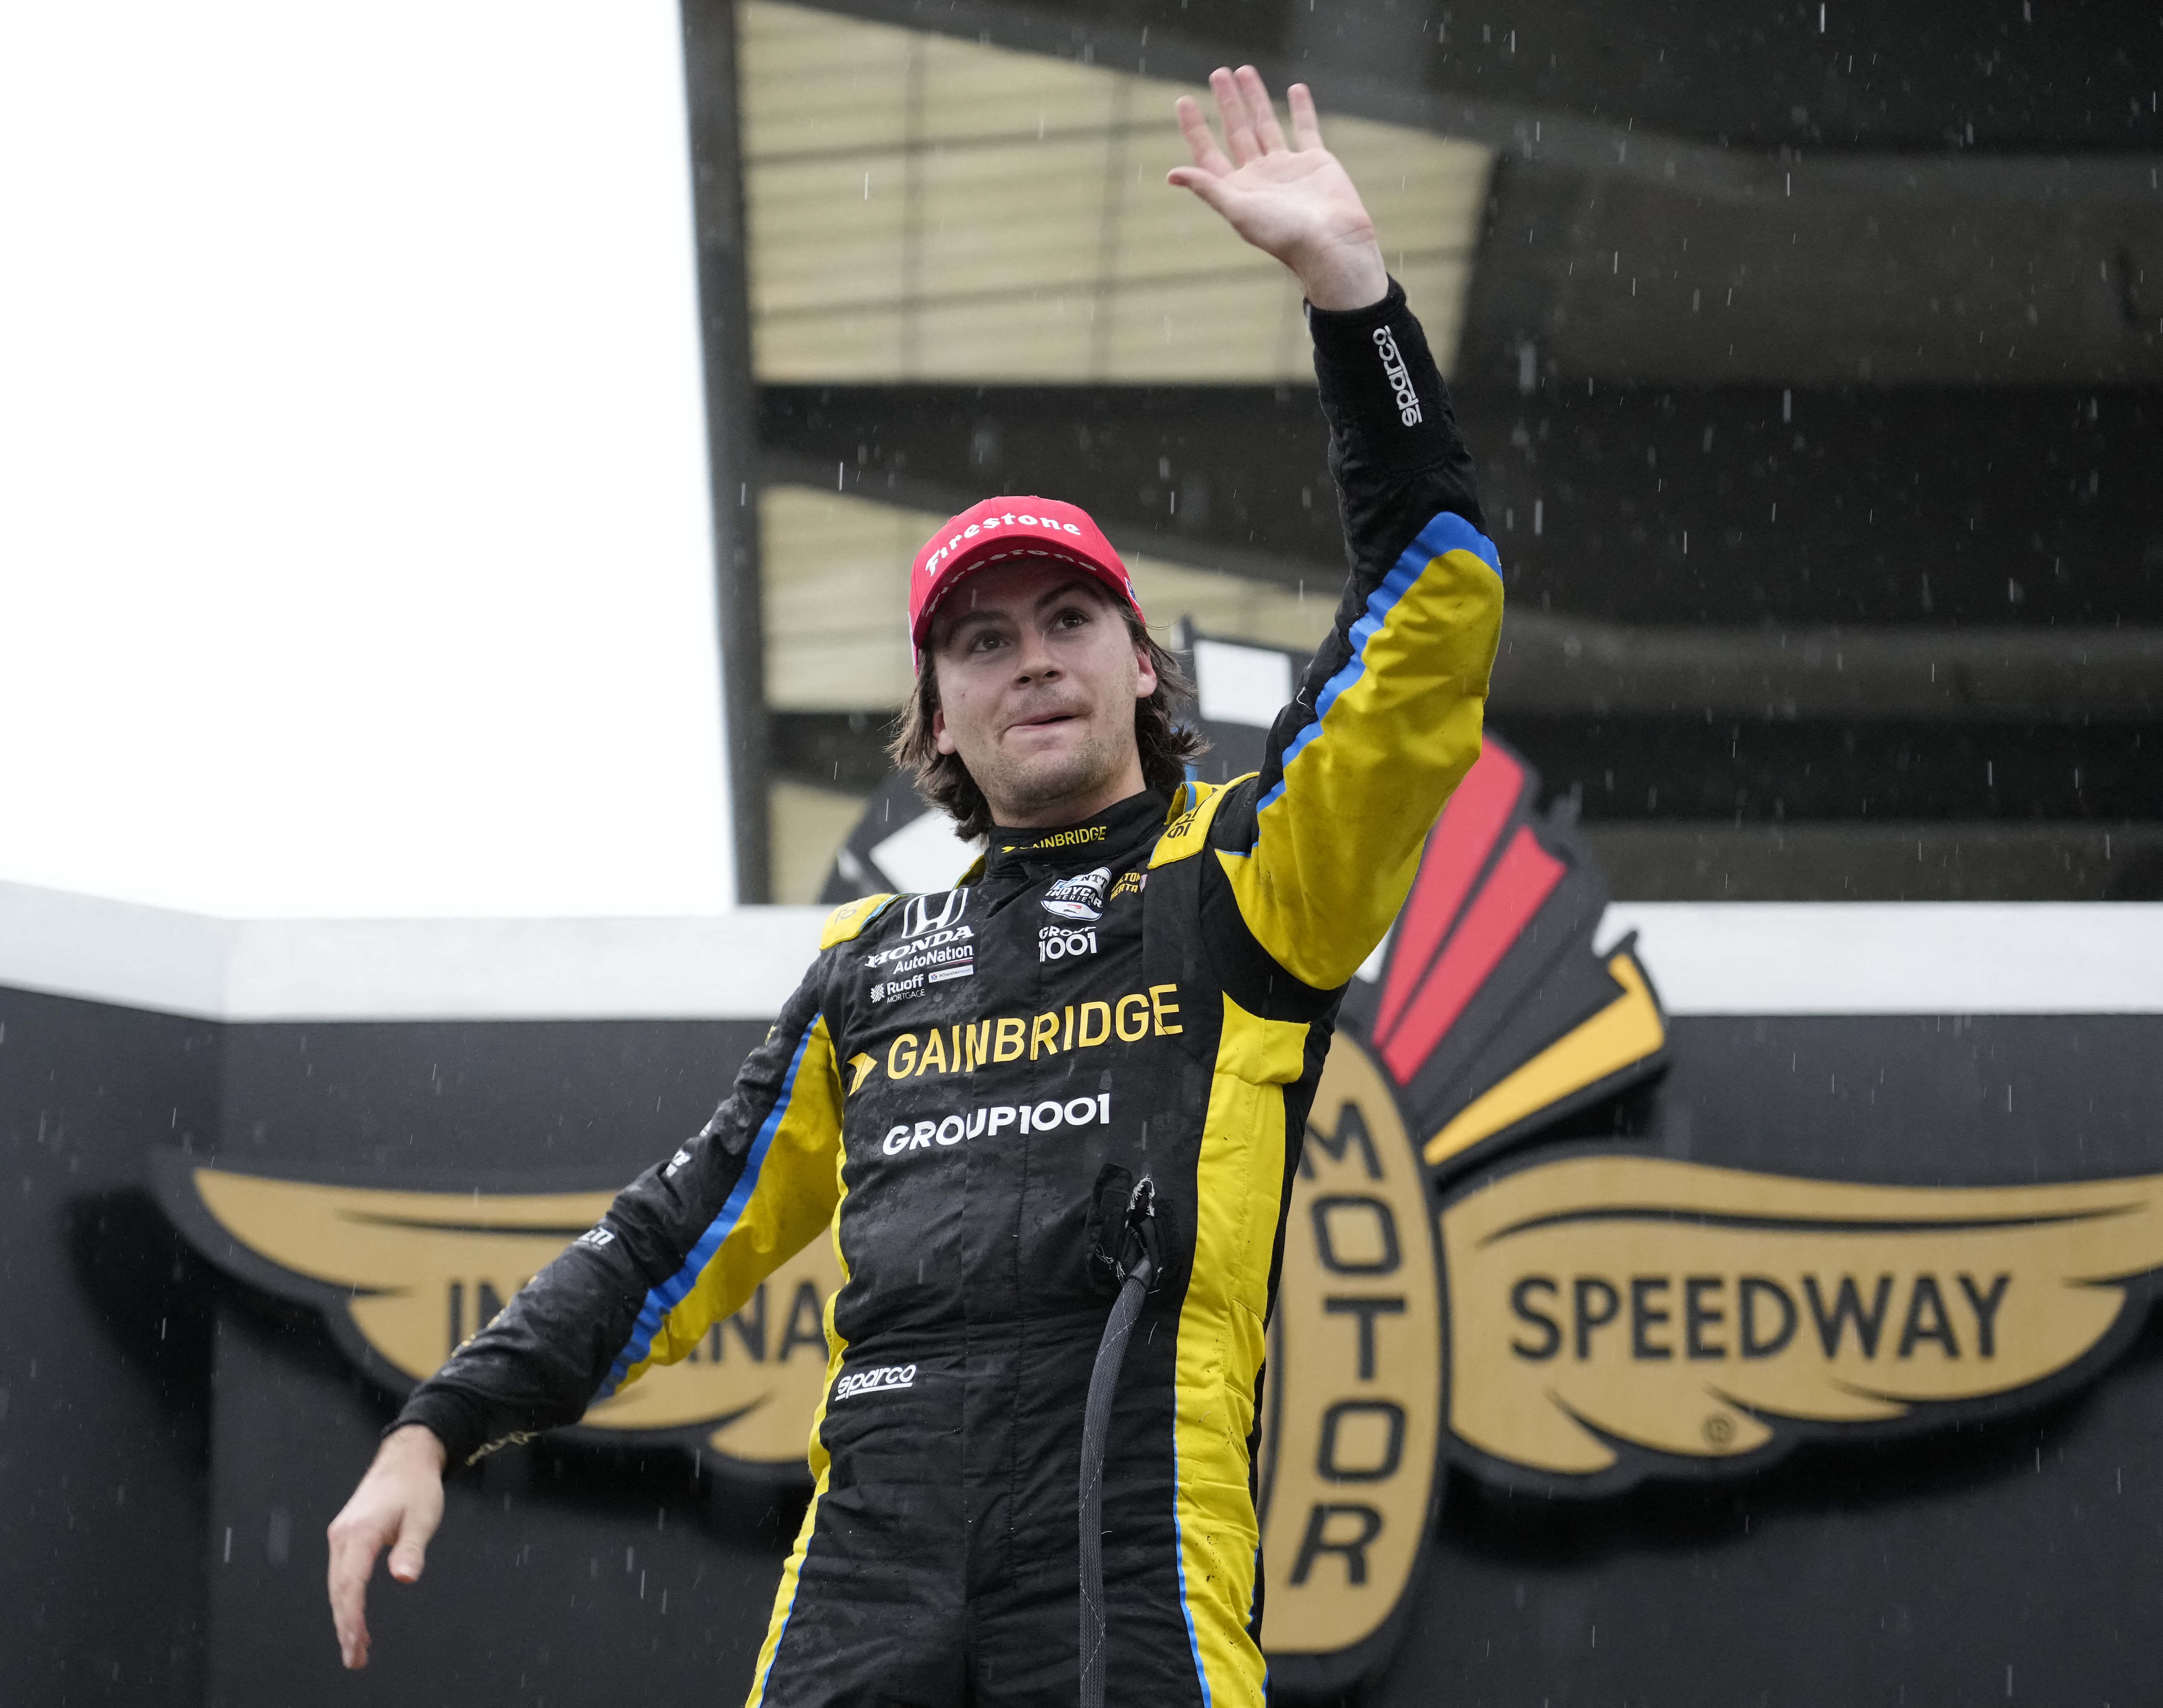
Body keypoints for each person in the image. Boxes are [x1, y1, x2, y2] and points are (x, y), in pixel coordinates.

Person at [324, 65, 1504, 1708]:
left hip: (1132, 1546)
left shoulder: (1246, 879)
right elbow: (670, 1235)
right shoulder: (875, 966)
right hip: (868, 1561)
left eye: (1069, 622)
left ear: (1138, 664)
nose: (1032, 663)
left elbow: (1431, 613)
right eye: (983, 640)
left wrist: (1356, 307)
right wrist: (437, 1419)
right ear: (934, 715)